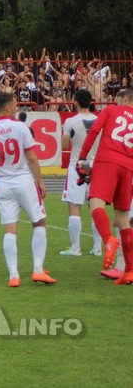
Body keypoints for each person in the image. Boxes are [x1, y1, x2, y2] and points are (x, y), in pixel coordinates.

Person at [0, 92, 57, 287]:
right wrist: (41, 182)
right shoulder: (20, 127)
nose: (18, 107)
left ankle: (13, 274)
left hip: (4, 185)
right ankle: (38, 270)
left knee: (10, 230)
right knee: (39, 223)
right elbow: (31, 158)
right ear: (8, 107)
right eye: (16, 104)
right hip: (24, 182)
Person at [77, 88, 133, 284]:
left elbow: (94, 131)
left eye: (118, 98)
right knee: (123, 217)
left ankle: (109, 240)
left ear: (125, 98)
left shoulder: (110, 110)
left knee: (95, 204)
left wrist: (83, 157)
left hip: (107, 160)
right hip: (128, 166)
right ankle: (129, 270)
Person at [59, 88, 102, 257]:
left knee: (74, 206)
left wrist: (65, 134)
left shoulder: (71, 121)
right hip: (96, 164)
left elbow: (64, 146)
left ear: (75, 101)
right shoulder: (98, 120)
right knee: (95, 206)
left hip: (78, 164)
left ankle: (75, 248)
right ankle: (97, 248)